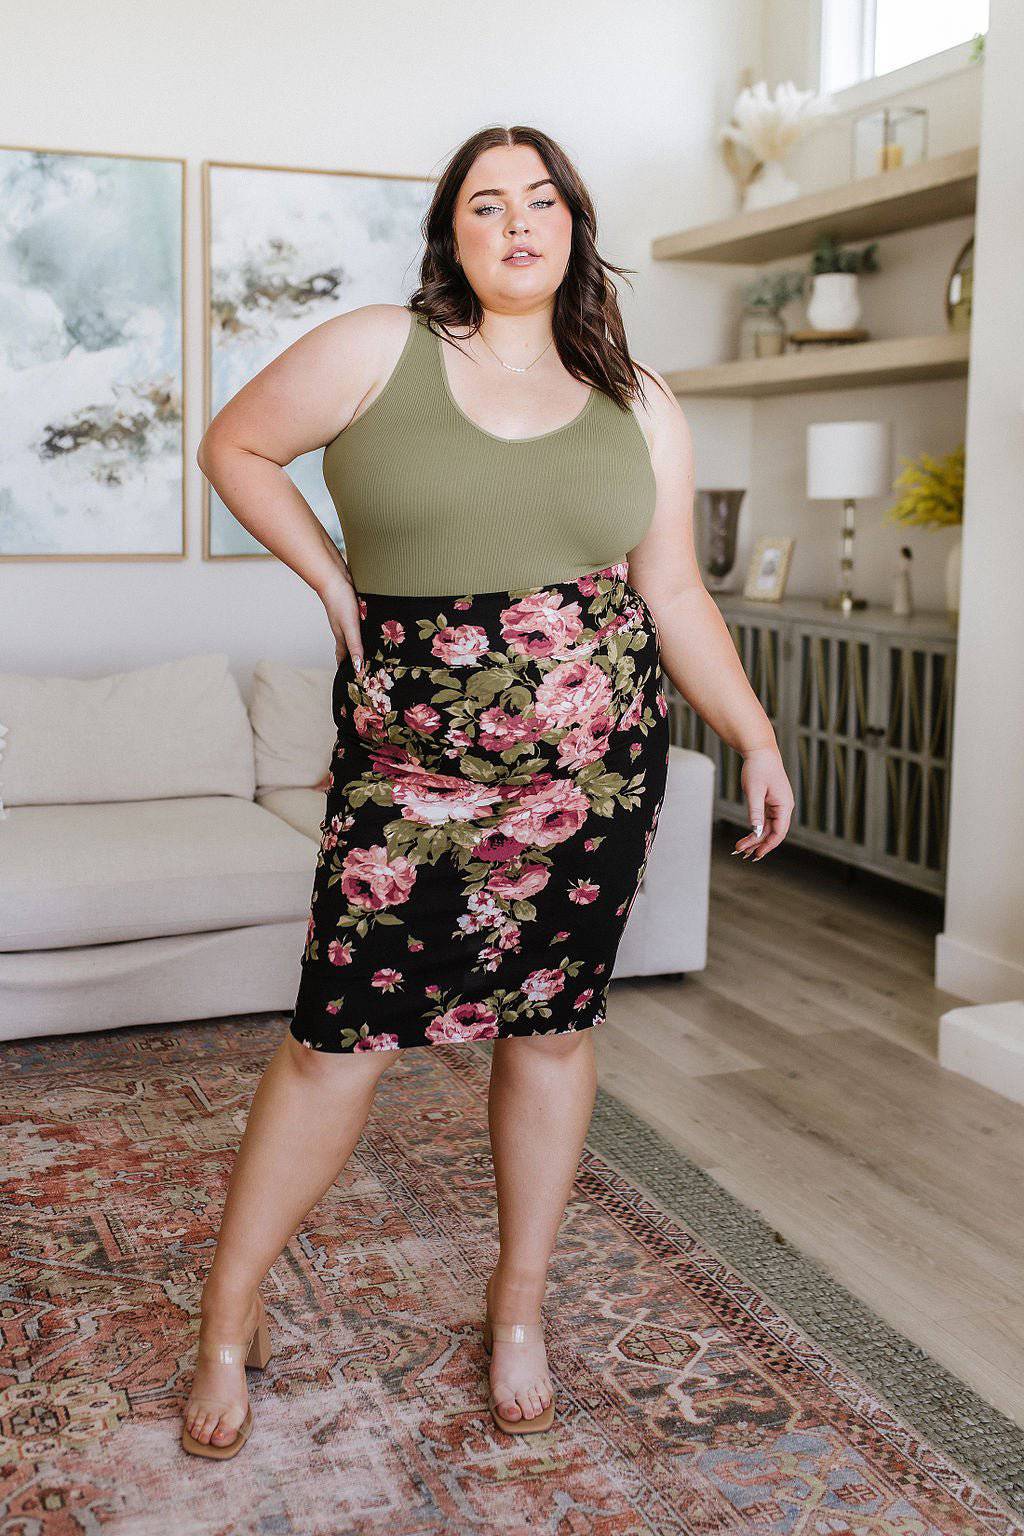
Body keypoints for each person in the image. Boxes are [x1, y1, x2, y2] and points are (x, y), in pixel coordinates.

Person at [183, 123, 794, 1458]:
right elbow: (234, 447)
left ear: (573, 224)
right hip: (407, 769)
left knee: (553, 1035)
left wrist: (750, 733)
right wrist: (332, 581)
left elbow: (673, 589)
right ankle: (229, 1314)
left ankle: (516, 1308)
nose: (517, 222)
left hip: (593, 773)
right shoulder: (377, 349)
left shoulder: (639, 396)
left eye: (541, 200)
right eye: (484, 203)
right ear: (450, 235)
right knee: (333, 1045)